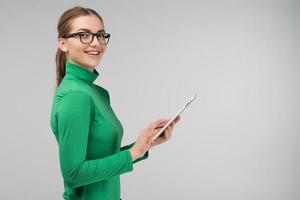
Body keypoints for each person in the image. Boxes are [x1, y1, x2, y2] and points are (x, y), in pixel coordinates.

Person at [50, 6, 180, 200]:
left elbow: (101, 159)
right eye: (84, 35)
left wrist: (144, 145)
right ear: (63, 43)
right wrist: (134, 153)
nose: (96, 43)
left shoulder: (98, 93)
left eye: (101, 35)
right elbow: (74, 175)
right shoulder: (75, 96)